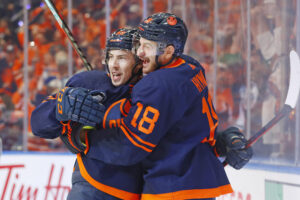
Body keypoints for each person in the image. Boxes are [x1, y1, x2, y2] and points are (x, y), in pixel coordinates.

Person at [57, 13, 252, 199]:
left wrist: (85, 139)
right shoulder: (191, 68)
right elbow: (187, 127)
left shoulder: (156, 85)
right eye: (139, 44)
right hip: (201, 181)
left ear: (168, 51)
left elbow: (131, 146)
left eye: (147, 47)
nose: (140, 53)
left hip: (170, 185)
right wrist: (224, 141)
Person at [31, 28, 144, 200]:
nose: (113, 64)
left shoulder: (152, 90)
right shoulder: (91, 83)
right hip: (90, 187)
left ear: (139, 62)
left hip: (136, 191)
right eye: (111, 56)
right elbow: (37, 124)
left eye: (121, 58)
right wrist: (60, 107)